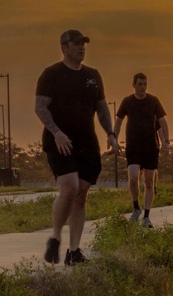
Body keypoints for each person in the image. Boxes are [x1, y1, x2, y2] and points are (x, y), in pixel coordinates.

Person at [35, 28, 118, 266]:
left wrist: (110, 133)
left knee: (81, 196)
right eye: (77, 44)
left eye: (84, 44)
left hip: (87, 142)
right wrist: (57, 132)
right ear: (64, 47)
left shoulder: (92, 76)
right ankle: (55, 237)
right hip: (59, 141)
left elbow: (102, 108)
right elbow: (40, 107)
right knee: (69, 188)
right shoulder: (51, 74)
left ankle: (74, 251)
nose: (82, 48)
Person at [115, 73, 168, 227]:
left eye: (145, 84)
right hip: (133, 146)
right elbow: (118, 121)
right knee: (132, 177)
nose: (143, 87)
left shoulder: (153, 101)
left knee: (150, 182)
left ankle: (146, 216)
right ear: (134, 85)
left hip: (150, 147)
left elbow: (163, 122)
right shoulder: (127, 101)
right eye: (139, 84)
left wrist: (166, 141)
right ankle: (136, 207)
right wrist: (114, 139)